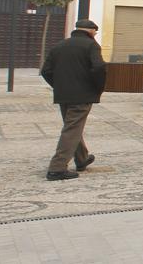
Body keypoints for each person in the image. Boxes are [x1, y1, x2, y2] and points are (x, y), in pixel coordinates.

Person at [41, 19, 107, 181]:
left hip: (63, 95)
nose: (95, 35)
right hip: (82, 95)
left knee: (72, 126)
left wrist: (58, 86)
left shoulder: (60, 45)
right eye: (95, 33)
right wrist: (97, 87)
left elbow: (46, 71)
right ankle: (57, 168)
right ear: (91, 32)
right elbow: (99, 67)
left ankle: (82, 158)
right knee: (72, 129)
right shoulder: (91, 45)